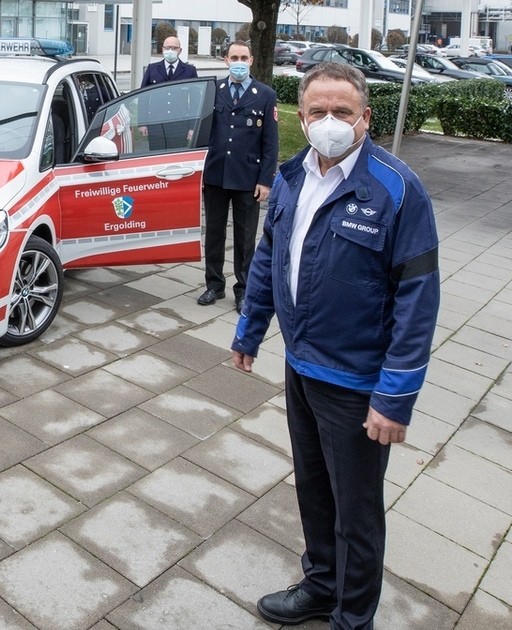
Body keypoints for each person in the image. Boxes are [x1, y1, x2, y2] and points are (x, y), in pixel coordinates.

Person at [232, 62, 440, 629]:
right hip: (301, 366)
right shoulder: (292, 176)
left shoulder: (396, 189)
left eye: (342, 112)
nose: (329, 123)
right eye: (318, 112)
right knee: (313, 489)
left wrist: (394, 397)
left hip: (357, 382)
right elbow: (271, 257)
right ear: (302, 117)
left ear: (365, 118)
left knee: (358, 511)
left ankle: (353, 618)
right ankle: (322, 585)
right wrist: (251, 328)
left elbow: (418, 301)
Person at [198, 40, 279, 313]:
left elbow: (271, 143)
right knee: (214, 234)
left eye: (244, 57)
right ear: (225, 60)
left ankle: (244, 290)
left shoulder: (265, 95)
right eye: (234, 56)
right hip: (216, 176)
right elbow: (201, 133)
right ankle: (214, 285)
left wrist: (266, 180)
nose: (239, 61)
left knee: (245, 238)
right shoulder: (213, 91)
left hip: (248, 178)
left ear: (252, 60)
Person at [138, 36, 200, 150]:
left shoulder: (189, 71)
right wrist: (142, 123)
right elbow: (143, 97)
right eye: (167, 48)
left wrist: (192, 127)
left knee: (176, 161)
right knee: (156, 160)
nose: (170, 51)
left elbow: (196, 101)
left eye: (174, 48)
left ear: (180, 51)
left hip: (179, 126)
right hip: (156, 125)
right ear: (162, 49)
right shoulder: (152, 69)